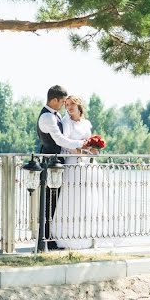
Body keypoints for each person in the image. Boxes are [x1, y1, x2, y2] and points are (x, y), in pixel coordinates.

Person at [36, 85, 86, 249]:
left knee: (53, 202)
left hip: (56, 163)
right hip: (50, 163)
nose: (64, 104)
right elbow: (59, 140)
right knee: (49, 201)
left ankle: (49, 239)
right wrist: (82, 144)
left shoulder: (54, 115)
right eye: (63, 101)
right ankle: (45, 240)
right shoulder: (47, 117)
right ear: (55, 100)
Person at [55, 96, 101, 249]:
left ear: (79, 105)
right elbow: (65, 143)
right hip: (73, 163)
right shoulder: (66, 122)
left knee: (87, 197)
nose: (68, 107)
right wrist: (80, 150)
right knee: (72, 198)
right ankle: (68, 237)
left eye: (71, 104)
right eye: (66, 105)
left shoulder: (86, 123)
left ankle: (88, 234)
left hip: (87, 164)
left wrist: (93, 148)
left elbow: (89, 141)